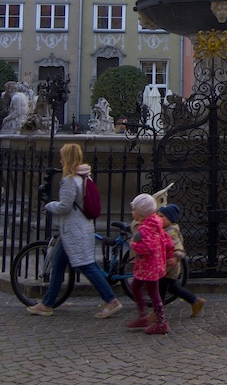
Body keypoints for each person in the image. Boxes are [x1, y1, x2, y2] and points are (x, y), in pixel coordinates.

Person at [25, 142, 124, 319]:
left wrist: (49, 205)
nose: (60, 160)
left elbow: (64, 207)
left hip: (73, 231)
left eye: (62, 156)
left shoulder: (70, 180)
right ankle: (47, 304)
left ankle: (111, 300)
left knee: (87, 266)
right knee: (59, 265)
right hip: (78, 229)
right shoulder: (85, 177)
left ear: (68, 158)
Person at [125, 192, 175, 335]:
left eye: (134, 210)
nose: (132, 212)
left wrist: (134, 245)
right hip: (152, 265)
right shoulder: (156, 223)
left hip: (149, 267)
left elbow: (147, 248)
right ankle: (144, 317)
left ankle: (161, 322)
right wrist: (169, 254)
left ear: (140, 214)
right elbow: (167, 241)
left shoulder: (146, 228)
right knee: (136, 287)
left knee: (153, 293)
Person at [154, 203, 206, 317]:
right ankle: (195, 301)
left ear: (170, 218)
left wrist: (175, 257)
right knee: (173, 288)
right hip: (167, 266)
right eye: (157, 215)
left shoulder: (171, 232)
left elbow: (179, 248)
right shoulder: (164, 230)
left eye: (162, 216)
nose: (159, 218)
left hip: (169, 266)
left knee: (160, 289)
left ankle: (157, 313)